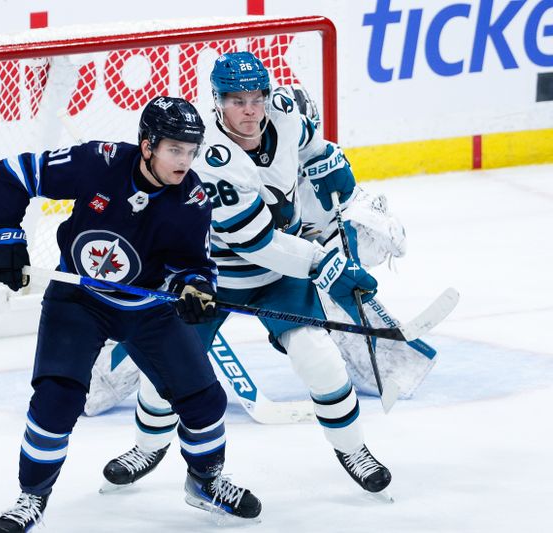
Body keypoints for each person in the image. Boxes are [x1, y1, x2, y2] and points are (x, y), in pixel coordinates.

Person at [99, 53, 392, 498]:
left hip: (281, 276)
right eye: (237, 100)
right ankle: (146, 447)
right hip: (208, 276)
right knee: (163, 376)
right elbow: (258, 244)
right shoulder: (210, 157)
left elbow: (311, 148)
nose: (250, 110)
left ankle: (353, 449)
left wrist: (332, 168)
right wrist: (325, 264)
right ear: (217, 102)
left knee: (320, 358)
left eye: (257, 97)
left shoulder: (287, 111)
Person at [0, 96, 261, 533]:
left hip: (147, 307)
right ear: (147, 145)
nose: (184, 162)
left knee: (205, 401)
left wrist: (194, 290)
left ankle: (205, 482)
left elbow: (195, 266)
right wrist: (3, 238)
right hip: (79, 300)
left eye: (191, 151)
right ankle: (32, 495)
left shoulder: (193, 199)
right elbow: (11, 174)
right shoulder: (98, 162)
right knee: (58, 399)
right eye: (174, 150)